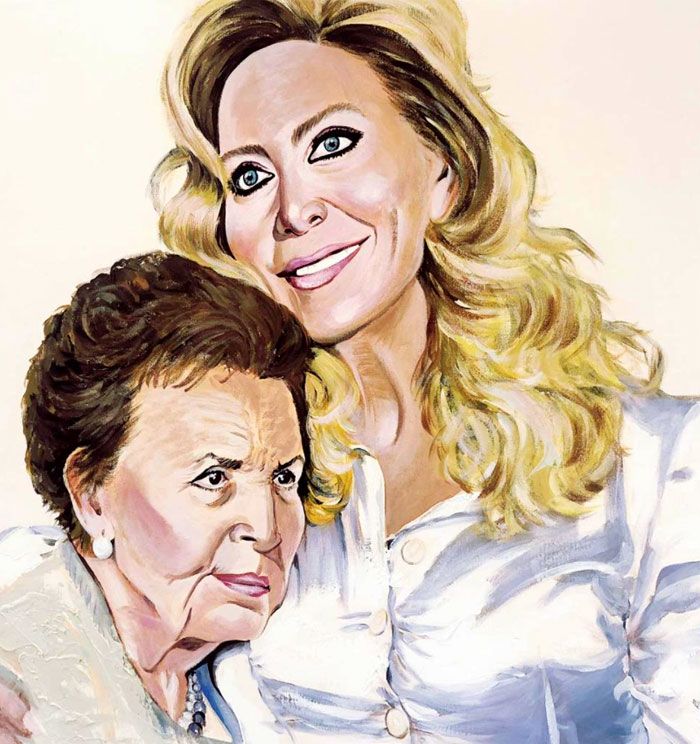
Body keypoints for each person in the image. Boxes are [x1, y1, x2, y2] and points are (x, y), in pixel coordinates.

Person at [3, 0, 700, 741]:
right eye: (250, 177)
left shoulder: (654, 465)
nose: (294, 210)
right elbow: (86, 569)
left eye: (332, 144)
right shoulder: (240, 465)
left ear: (443, 168)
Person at [0, 251, 353, 743]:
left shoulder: (234, 692)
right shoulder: (20, 694)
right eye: (214, 478)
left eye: (283, 478)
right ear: (93, 496)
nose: (267, 528)